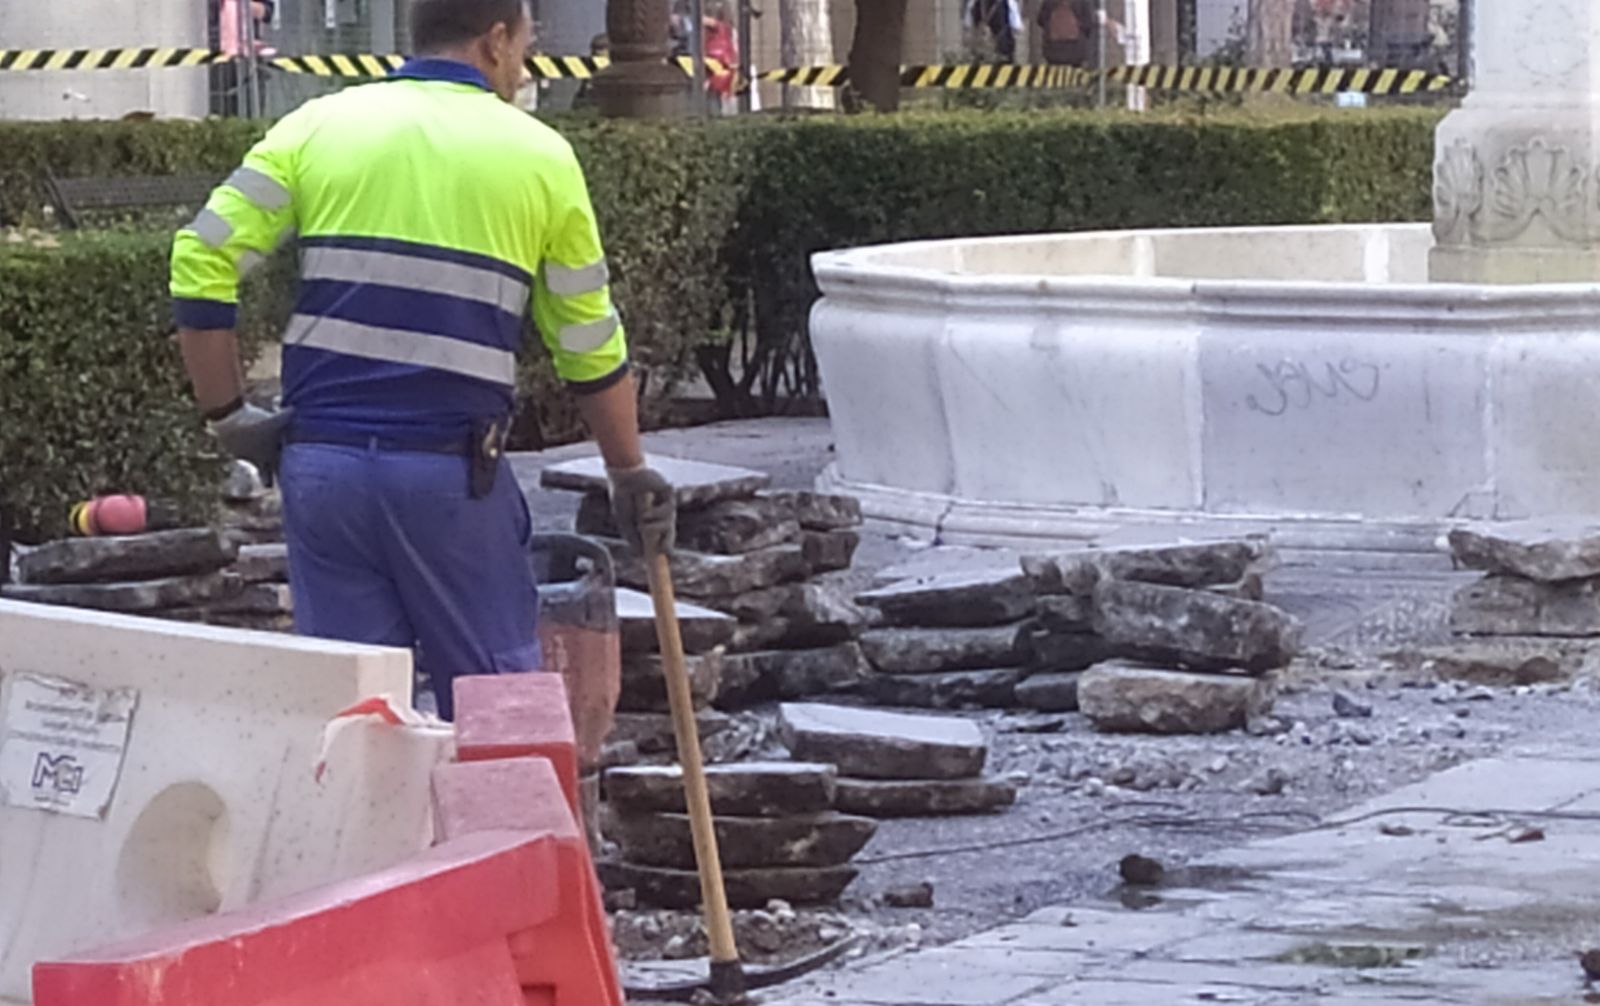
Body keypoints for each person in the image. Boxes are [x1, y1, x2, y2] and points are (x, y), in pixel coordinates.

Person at [170, 0, 676, 720]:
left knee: (355, 722)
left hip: (326, 476)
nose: (525, 65)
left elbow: (200, 257)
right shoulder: (538, 156)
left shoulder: (320, 126)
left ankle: (371, 837)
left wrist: (225, 413)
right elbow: (588, 342)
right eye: (526, 46)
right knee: (498, 717)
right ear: (496, 40)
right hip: (450, 483)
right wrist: (628, 472)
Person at [1036, 0, 1095, 66]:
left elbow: (1040, 20)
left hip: (1053, 49)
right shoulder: (1083, 2)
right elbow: (1088, 23)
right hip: (1076, 50)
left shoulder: (1049, 1)